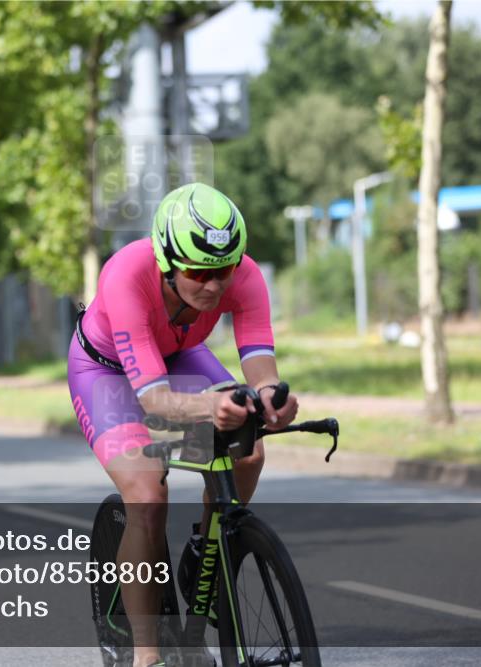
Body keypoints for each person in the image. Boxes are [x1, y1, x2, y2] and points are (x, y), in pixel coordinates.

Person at [68, 183, 299, 667]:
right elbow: (154, 401)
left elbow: (259, 359)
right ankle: (147, 655)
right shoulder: (128, 275)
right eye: (198, 272)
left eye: (223, 271)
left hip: (176, 355)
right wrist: (208, 410)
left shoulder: (244, 275)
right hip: (105, 371)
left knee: (249, 449)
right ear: (166, 259)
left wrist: (272, 400)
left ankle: (202, 551)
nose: (214, 286)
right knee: (148, 496)